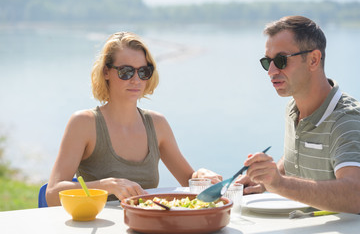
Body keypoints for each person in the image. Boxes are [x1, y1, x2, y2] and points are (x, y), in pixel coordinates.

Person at [46, 32, 222, 206]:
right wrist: (107, 185)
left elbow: (189, 183)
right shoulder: (84, 123)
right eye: (126, 71)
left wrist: (201, 175)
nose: (136, 80)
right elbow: (53, 194)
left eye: (143, 71)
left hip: (146, 225)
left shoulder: (157, 124)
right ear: (106, 72)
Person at [238, 16, 360, 213]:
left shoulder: (346, 120)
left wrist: (280, 184)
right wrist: (265, 180)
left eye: (281, 60)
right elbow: (297, 156)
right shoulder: (293, 108)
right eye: (266, 62)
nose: (271, 71)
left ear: (313, 59)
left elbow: (356, 194)